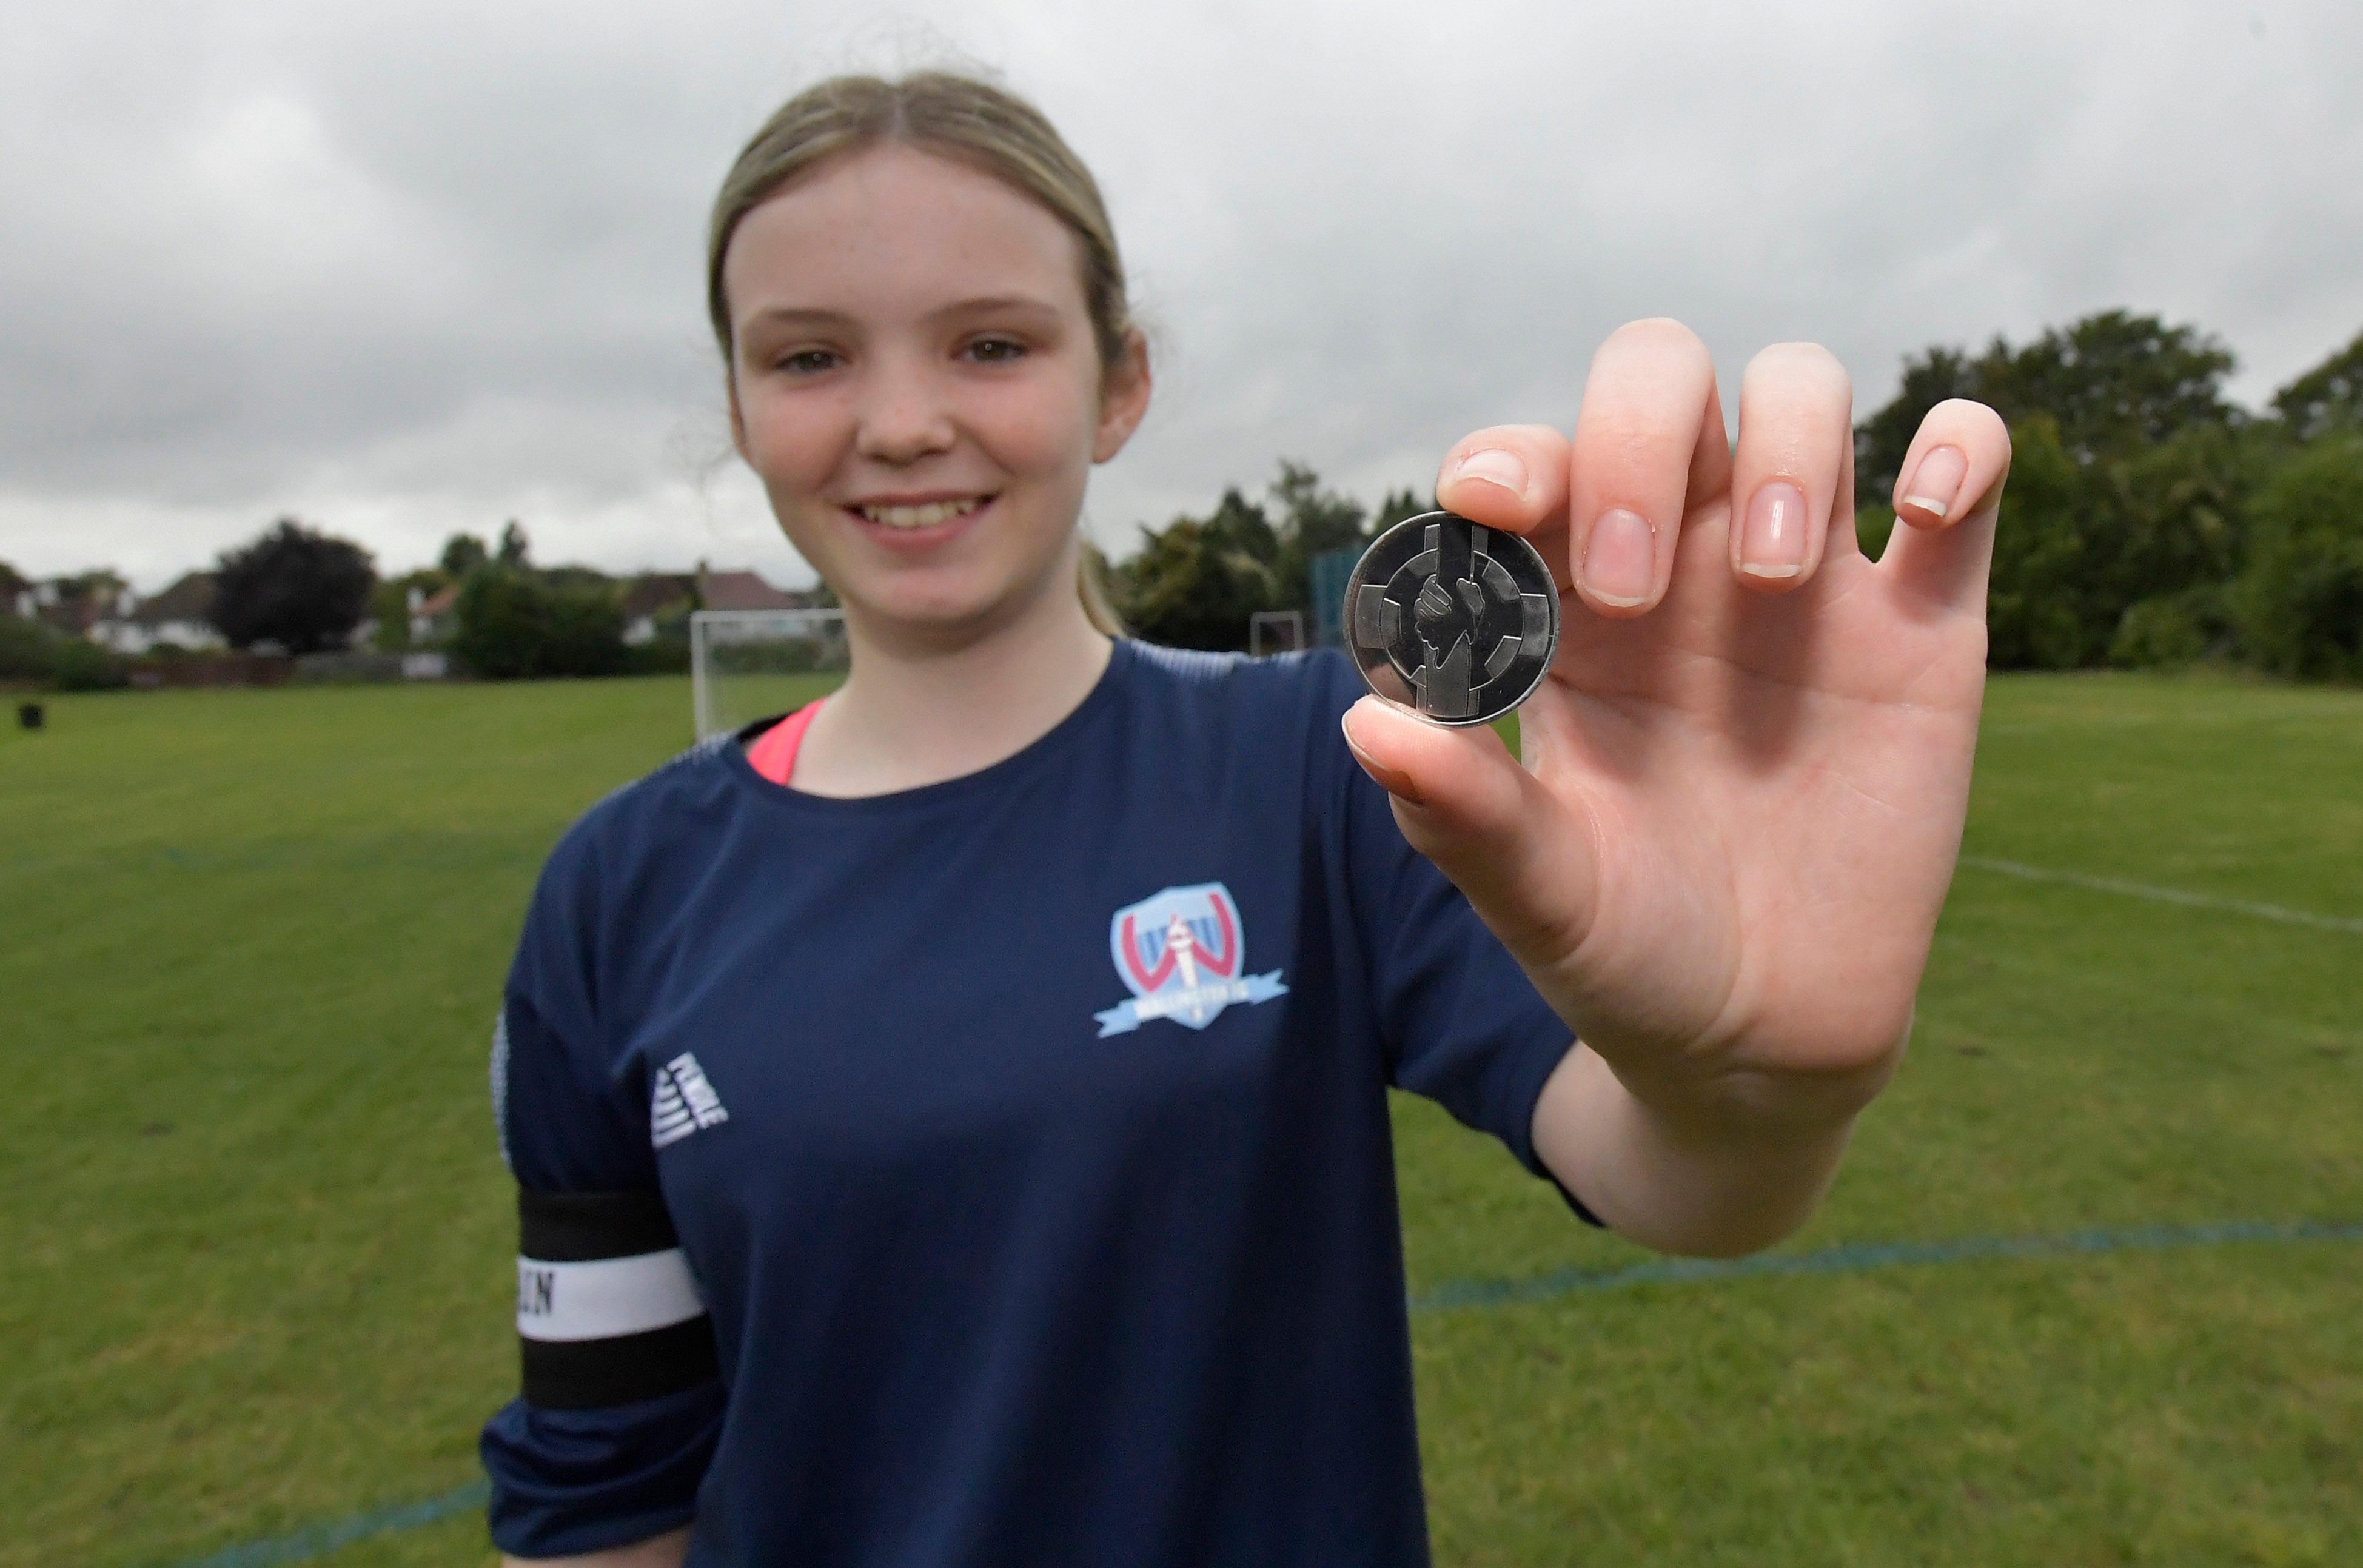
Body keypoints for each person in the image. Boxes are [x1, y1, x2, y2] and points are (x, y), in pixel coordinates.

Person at [480, 69, 2009, 1568]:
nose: (897, 423)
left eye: (991, 342)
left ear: (1120, 382)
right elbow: (605, 1490)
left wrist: (1756, 1089)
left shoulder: (1324, 763)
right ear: (738, 408)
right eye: (809, 358)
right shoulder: (621, 894)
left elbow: (1672, 1172)